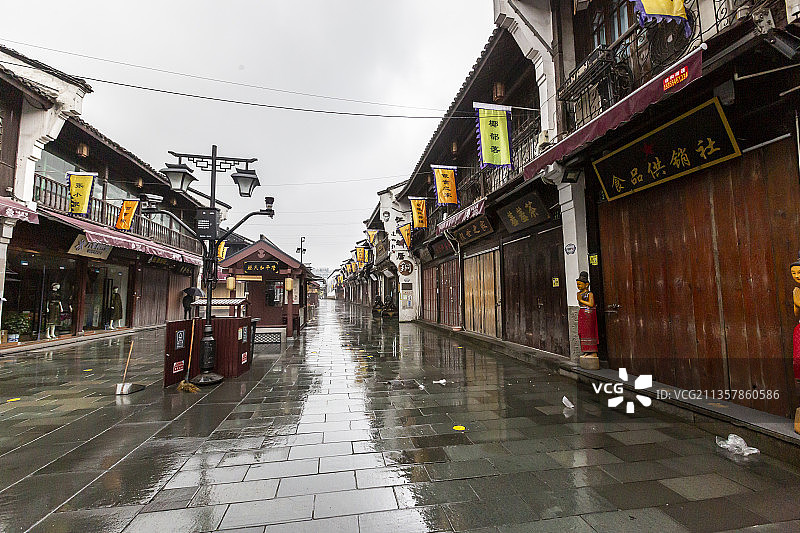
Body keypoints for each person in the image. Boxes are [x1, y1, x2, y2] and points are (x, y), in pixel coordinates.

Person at [577, 271, 600, 370]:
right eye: (577, 284)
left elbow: (591, 304)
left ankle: (593, 351)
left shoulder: (589, 293)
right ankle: (586, 350)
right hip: (582, 314)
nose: (578, 286)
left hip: (589, 314)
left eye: (580, 284)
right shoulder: (579, 293)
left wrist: (580, 299)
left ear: (586, 284)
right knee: (583, 332)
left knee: (590, 332)